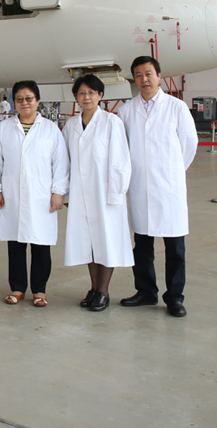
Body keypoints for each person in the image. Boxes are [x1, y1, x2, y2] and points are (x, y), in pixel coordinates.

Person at [118, 56, 198, 318]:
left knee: (175, 247)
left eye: (149, 73)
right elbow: (122, 148)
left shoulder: (176, 107)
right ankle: (146, 292)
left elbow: (189, 143)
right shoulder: (127, 110)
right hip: (140, 186)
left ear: (159, 76)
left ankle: (174, 297)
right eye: (138, 75)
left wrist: (171, 171)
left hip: (169, 187)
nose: (144, 79)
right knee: (142, 244)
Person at [0, 80, 69, 307]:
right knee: (15, 245)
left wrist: (58, 192)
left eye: (29, 98)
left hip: (41, 195)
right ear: (14, 102)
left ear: (37, 101)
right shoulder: (4, 128)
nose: (25, 103)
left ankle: (40, 290)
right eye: (20, 99)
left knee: (41, 244)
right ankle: (17, 288)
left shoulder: (50, 130)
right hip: (12, 194)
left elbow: (61, 163)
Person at [62, 74, 133, 312]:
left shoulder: (111, 122)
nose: (87, 97)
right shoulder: (71, 125)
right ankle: (93, 288)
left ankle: (103, 291)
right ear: (76, 97)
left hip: (106, 194)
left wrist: (116, 192)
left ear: (100, 95)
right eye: (82, 93)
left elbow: (121, 161)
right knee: (89, 243)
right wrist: (67, 194)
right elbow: (65, 162)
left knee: (106, 241)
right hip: (81, 194)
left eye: (91, 93)